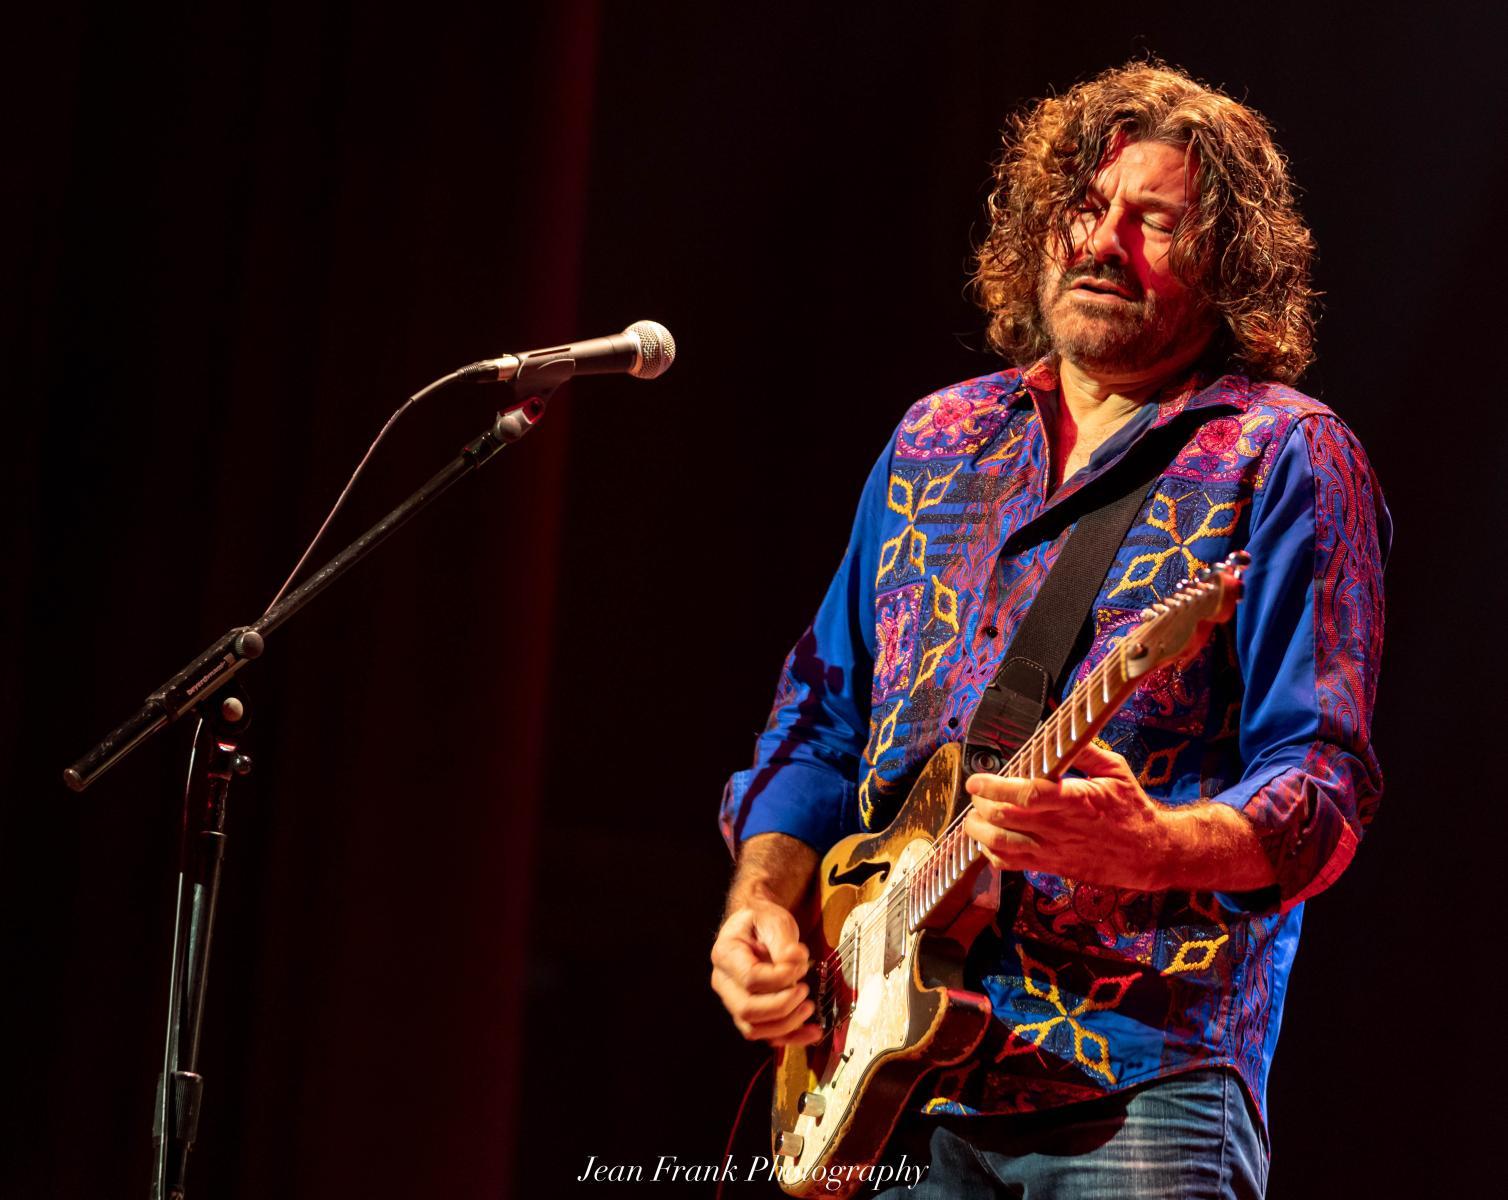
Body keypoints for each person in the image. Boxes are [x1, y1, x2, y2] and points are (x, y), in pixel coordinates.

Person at [710, 62, 1389, 1198]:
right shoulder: (936, 439)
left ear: (1227, 263)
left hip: (1136, 1076)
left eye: (1152, 221)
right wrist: (761, 908)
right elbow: (821, 718)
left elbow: (1320, 786)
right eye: (1081, 206)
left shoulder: (1284, 457)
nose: (1101, 242)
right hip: (889, 1089)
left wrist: (1150, 846)